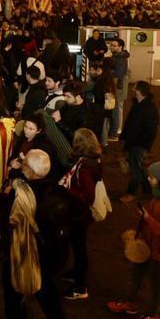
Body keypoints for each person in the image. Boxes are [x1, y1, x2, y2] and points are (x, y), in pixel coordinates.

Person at [0, 148, 73, 319]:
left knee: (13, 287)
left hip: (24, 251)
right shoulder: (59, 191)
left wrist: (5, 195)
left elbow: (6, 221)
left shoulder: (22, 193)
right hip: (51, 252)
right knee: (46, 288)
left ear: (29, 171)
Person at [106, 160, 160, 319]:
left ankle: (154, 316)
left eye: (152, 177)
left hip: (158, 251)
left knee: (156, 283)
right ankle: (130, 302)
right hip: (147, 245)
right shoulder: (159, 193)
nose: (149, 179)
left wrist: (148, 218)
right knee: (137, 273)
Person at [59, 128, 104, 300]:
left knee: (79, 247)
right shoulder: (95, 159)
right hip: (82, 213)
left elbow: (87, 195)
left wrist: (67, 191)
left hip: (79, 213)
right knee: (79, 245)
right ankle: (76, 272)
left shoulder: (84, 166)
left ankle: (80, 286)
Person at [119, 80, 159, 202]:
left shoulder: (148, 109)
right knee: (139, 167)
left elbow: (150, 131)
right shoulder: (138, 104)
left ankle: (131, 193)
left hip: (139, 144)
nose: (132, 89)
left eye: (134, 87)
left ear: (139, 91)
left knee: (135, 169)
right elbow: (130, 123)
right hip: (134, 142)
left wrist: (135, 142)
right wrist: (124, 137)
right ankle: (148, 189)